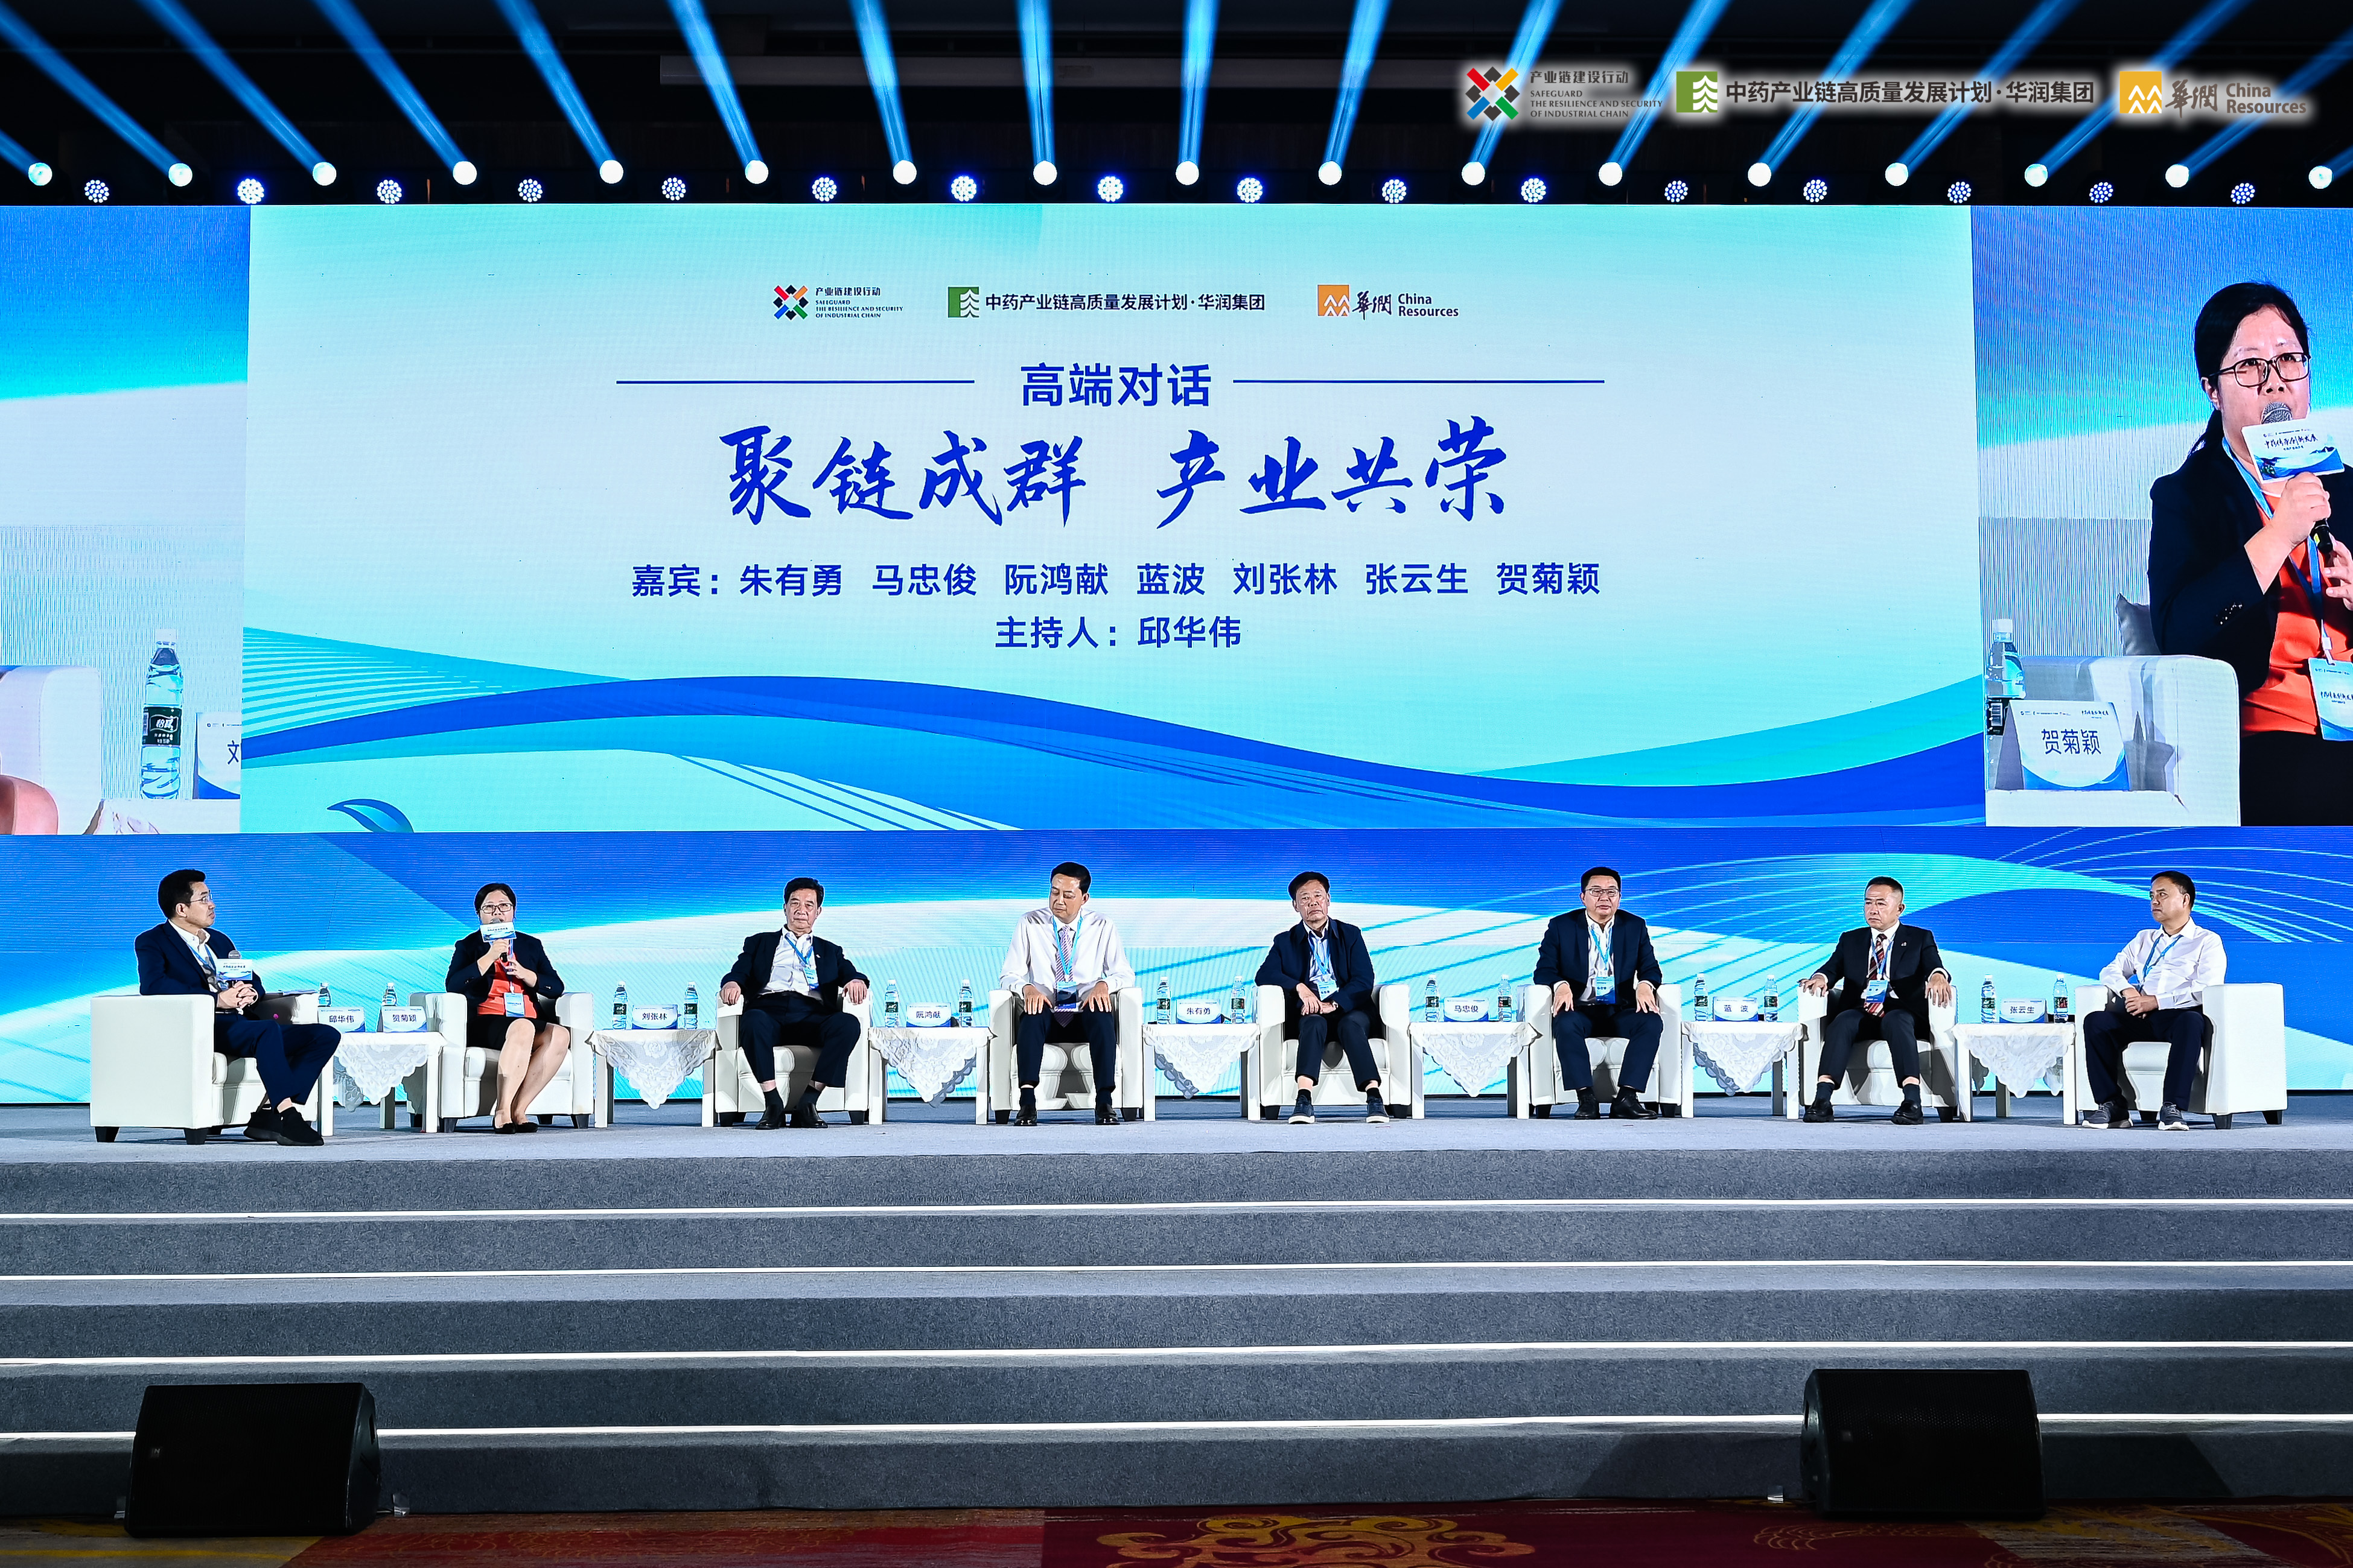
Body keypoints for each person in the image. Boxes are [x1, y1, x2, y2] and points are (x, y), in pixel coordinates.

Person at [2150, 281, 2353, 825]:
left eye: (2288, 359)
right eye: (2248, 366)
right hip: (2265, 740)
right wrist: (2277, 535)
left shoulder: (2347, 487)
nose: (2274, 381)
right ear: (2212, 390)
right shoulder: (2187, 497)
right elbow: (2178, 632)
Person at [133, 868, 340, 1146]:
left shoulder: (219, 940)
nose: (212, 905)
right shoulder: (153, 941)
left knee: (324, 1035)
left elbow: (250, 978)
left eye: (210, 897)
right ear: (182, 909)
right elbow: (154, 985)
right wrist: (217, 999)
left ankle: (269, 1116)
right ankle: (289, 1117)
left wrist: (251, 993)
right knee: (267, 1030)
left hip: (242, 1024)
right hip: (204, 1026)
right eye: (204, 899)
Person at [1798, 876, 1954, 1125]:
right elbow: (1832, 968)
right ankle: (1822, 1100)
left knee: (1897, 1020)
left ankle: (1912, 1101)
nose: (1873, 909)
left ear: (1899, 908)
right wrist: (1820, 978)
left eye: (1881, 903)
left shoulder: (1919, 938)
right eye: (1868, 903)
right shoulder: (1851, 939)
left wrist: (1938, 977)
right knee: (1842, 1021)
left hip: (1902, 1011)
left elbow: (1934, 965)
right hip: (1862, 1011)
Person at [2080, 871, 2227, 1132]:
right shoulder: (2144, 939)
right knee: (2096, 1021)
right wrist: (2128, 992)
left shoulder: (2207, 941)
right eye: (2151, 896)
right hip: (2140, 1014)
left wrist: (2158, 1002)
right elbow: (2110, 971)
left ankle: (2172, 1106)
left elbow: (2206, 989)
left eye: (2162, 895)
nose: (2154, 901)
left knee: (2192, 1022)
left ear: (2185, 900)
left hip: (2179, 1014)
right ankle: (2112, 1106)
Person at [719, 878, 870, 1129]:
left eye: (809, 905)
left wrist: (856, 981)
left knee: (848, 1024)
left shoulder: (829, 950)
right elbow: (739, 971)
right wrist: (732, 983)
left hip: (811, 1015)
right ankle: (773, 1103)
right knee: (753, 1020)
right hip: (769, 1010)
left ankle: (808, 1103)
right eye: (795, 903)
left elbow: (850, 973)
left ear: (818, 912)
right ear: (785, 908)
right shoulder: (760, 942)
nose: (802, 910)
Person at [999, 861, 1133, 1126]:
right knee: (1033, 1013)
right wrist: (1027, 988)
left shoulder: (1102, 926)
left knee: (1102, 1013)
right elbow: (1008, 975)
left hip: (1083, 1014)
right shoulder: (1030, 923)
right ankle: (1027, 1102)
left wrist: (1105, 985)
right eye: (1054, 892)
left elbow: (1125, 973)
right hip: (1048, 1014)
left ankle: (1104, 1102)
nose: (1058, 901)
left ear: (1084, 898)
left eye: (1068, 895)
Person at [1531, 866, 1665, 1120]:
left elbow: (1651, 968)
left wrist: (1646, 985)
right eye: (1596, 892)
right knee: (1565, 1022)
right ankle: (1586, 1099)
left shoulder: (1634, 926)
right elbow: (1544, 970)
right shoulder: (1561, 926)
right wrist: (1560, 986)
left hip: (1619, 1009)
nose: (1605, 898)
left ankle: (1627, 1097)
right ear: (1583, 897)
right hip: (1579, 1009)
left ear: (1620, 897)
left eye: (1611, 892)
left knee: (1651, 1021)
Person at [1255, 871, 1389, 1126]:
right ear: (1296, 906)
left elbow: (1364, 980)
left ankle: (1374, 1097)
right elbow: (1264, 975)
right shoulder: (1285, 941)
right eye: (1305, 898)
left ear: (1328, 900)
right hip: (1310, 1010)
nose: (1313, 902)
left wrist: (1335, 1003)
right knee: (1313, 1023)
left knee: (1350, 1025)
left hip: (1349, 1008)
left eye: (1318, 896)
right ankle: (1304, 1099)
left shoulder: (1350, 935)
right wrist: (1300, 988)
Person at [444, 883, 572, 1133]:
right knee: (523, 1028)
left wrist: (526, 974)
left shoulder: (531, 945)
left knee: (560, 1035)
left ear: (514, 911)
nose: (497, 913)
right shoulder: (468, 946)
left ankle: (519, 1110)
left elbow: (556, 987)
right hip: (487, 1021)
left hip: (526, 1018)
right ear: (479, 914)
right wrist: (489, 957)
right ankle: (502, 1112)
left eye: (504, 906)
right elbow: (454, 985)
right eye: (489, 908)